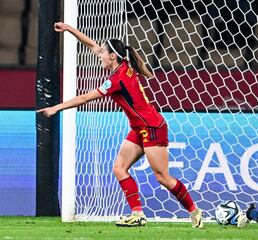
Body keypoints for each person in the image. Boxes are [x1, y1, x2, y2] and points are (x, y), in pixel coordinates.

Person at [37, 22, 203, 228]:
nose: (99, 56)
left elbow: (86, 97)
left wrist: (56, 108)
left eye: (102, 54)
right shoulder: (123, 67)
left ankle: (195, 211)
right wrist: (69, 29)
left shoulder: (117, 79)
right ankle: (137, 214)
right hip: (138, 128)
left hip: (151, 127)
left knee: (163, 177)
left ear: (112, 56)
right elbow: (93, 46)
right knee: (119, 168)